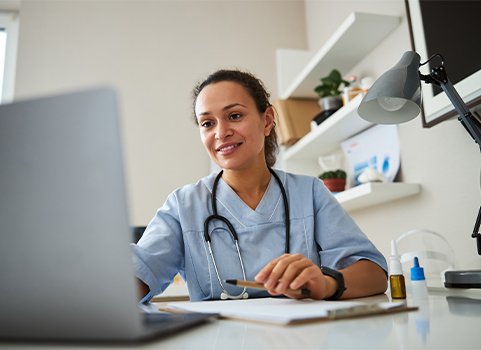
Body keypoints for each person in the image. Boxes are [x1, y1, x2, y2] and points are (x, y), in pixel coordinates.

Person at [131, 69, 388, 303]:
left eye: (234, 116)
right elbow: (138, 275)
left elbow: (374, 274)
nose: (221, 133)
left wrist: (326, 283)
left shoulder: (309, 193)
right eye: (207, 123)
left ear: (266, 121)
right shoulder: (183, 205)